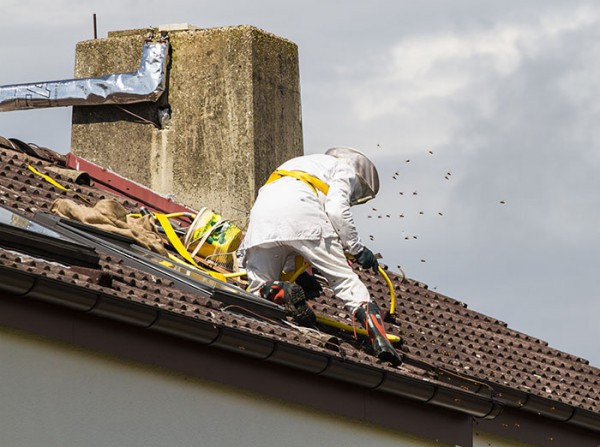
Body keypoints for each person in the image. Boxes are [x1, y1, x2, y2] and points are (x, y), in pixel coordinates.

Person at [239, 147, 402, 365]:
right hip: (304, 213)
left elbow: (288, 238)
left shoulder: (301, 163)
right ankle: (381, 342)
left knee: (257, 287)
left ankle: (282, 290)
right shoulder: (344, 169)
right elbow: (336, 210)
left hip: (263, 218)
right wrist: (357, 249)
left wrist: (300, 278)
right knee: (346, 282)